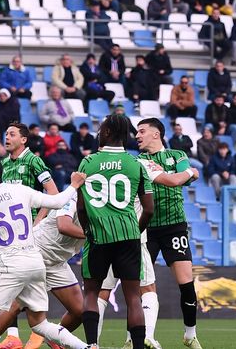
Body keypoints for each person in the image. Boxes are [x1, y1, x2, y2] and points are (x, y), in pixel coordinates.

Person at [0, 156, 87, 349]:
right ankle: (86, 347)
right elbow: (57, 201)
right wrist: (73, 185)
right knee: (40, 324)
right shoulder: (19, 190)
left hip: (10, 261)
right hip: (35, 261)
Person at [105, 118, 200, 349]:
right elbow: (182, 177)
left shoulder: (177, 155)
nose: (137, 136)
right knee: (137, 286)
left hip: (174, 226)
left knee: (186, 284)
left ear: (156, 134)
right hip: (144, 227)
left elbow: (181, 178)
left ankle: (190, 335)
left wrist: (188, 172)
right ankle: (134, 338)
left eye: (142, 131)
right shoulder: (137, 161)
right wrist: (190, 173)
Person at [76, 114, 155, 349]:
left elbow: (80, 207)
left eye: (101, 129)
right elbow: (149, 209)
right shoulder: (136, 164)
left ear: (108, 133)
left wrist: (88, 230)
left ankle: (92, 345)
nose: (99, 132)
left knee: (91, 293)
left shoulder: (88, 163)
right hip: (129, 236)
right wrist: (134, 231)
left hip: (98, 235)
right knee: (133, 297)